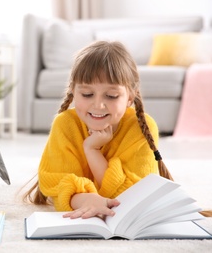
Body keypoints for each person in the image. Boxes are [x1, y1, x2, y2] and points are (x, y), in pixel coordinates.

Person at [24, 40, 174, 219]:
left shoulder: (141, 128)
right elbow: (57, 183)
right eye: (87, 94)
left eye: (111, 96)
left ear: (129, 97)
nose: (98, 105)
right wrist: (86, 200)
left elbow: (135, 193)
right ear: (73, 91)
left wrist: (93, 150)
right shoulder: (64, 125)